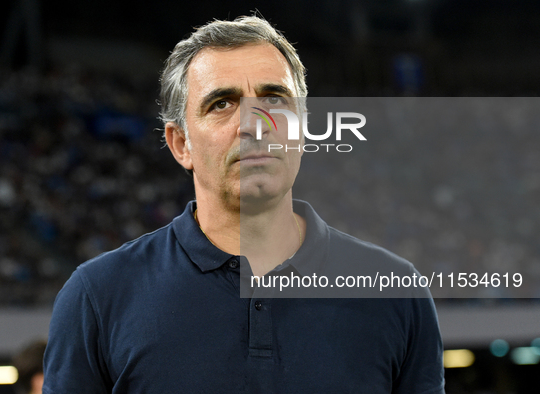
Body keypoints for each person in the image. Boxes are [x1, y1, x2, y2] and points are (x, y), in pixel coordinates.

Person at [43, 16, 445, 393]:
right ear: (180, 144)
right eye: (222, 103)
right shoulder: (97, 296)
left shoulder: (396, 293)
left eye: (274, 98)